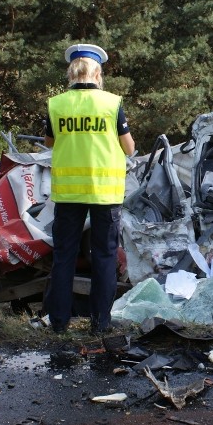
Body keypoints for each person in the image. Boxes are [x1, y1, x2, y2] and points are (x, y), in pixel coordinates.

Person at [43, 43, 136, 334]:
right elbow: (129, 148)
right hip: (104, 193)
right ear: (97, 73)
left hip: (68, 193)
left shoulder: (56, 104)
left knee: (64, 256)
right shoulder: (111, 103)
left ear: (71, 72)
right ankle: (100, 323)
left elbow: (49, 142)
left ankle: (58, 322)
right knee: (105, 256)